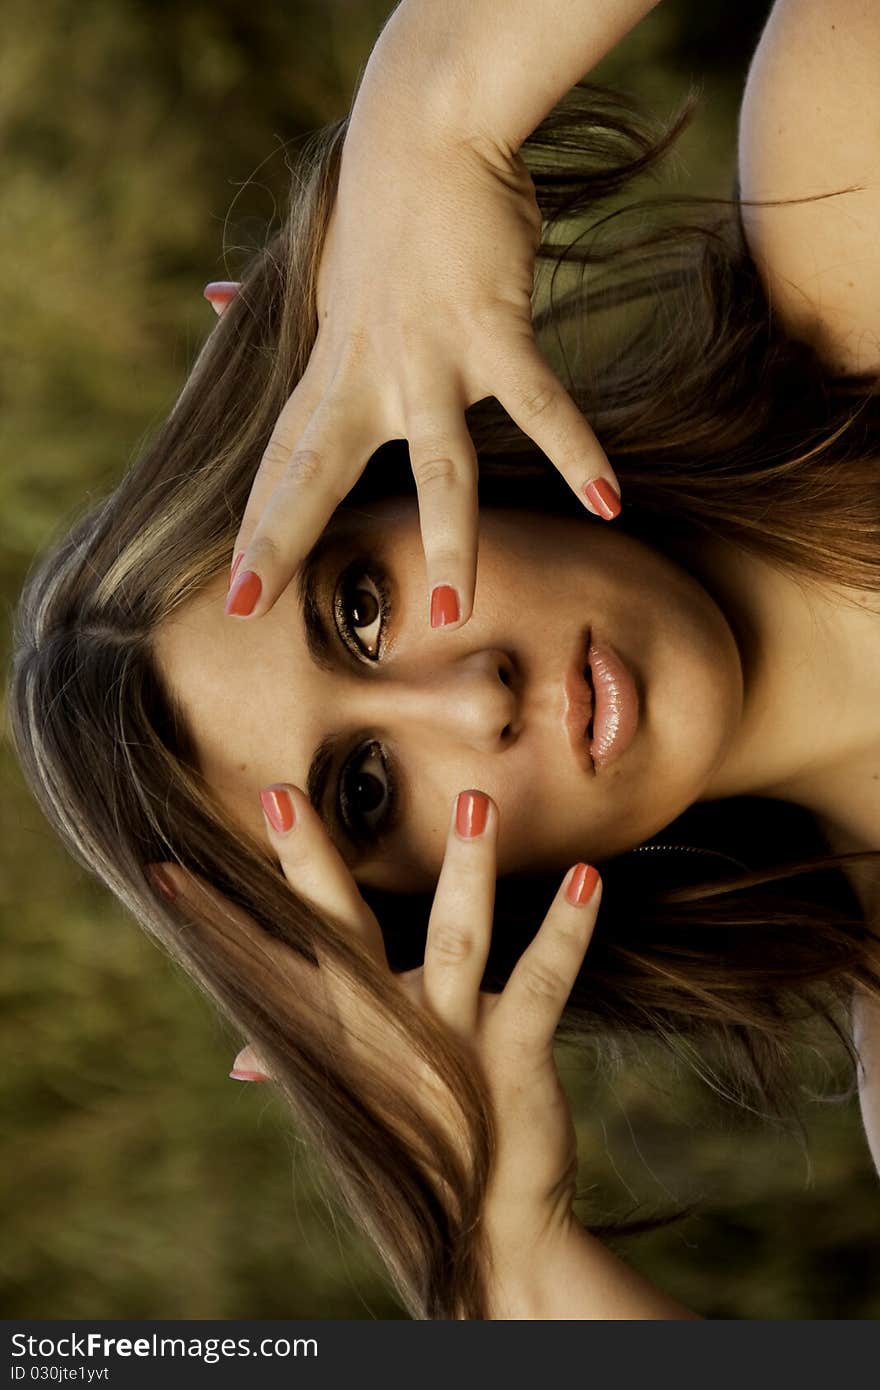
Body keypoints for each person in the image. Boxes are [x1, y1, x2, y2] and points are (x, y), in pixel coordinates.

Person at [8, 0, 880, 1319]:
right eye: (366, 790)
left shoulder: (844, 167)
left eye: (364, 606)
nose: (472, 696)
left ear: (408, 458)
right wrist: (506, 1257)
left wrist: (433, 107)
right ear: (433, 923)